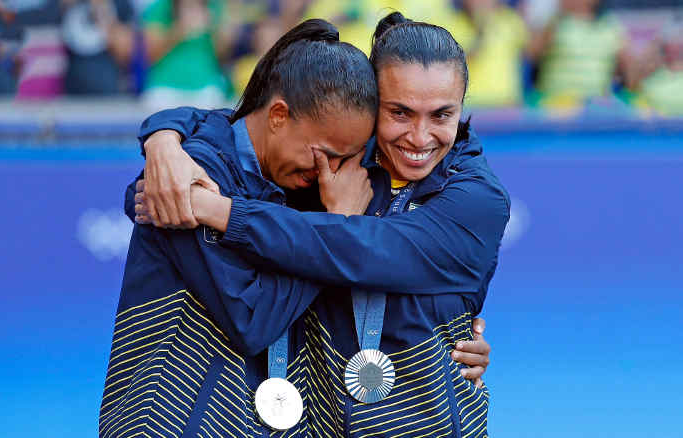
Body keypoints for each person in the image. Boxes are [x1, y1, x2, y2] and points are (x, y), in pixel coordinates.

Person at [133, 12, 507, 437]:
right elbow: (246, 126)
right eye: (399, 112)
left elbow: (367, 249)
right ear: (370, 103)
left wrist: (218, 211)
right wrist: (165, 137)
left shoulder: (477, 198)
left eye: (442, 115)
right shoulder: (329, 165)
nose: (420, 137)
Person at [100, 19, 379, 437]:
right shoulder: (193, 175)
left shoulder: (309, 187)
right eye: (324, 154)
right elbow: (253, 319)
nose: (332, 173)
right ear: (279, 115)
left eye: (346, 159)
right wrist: (337, 230)